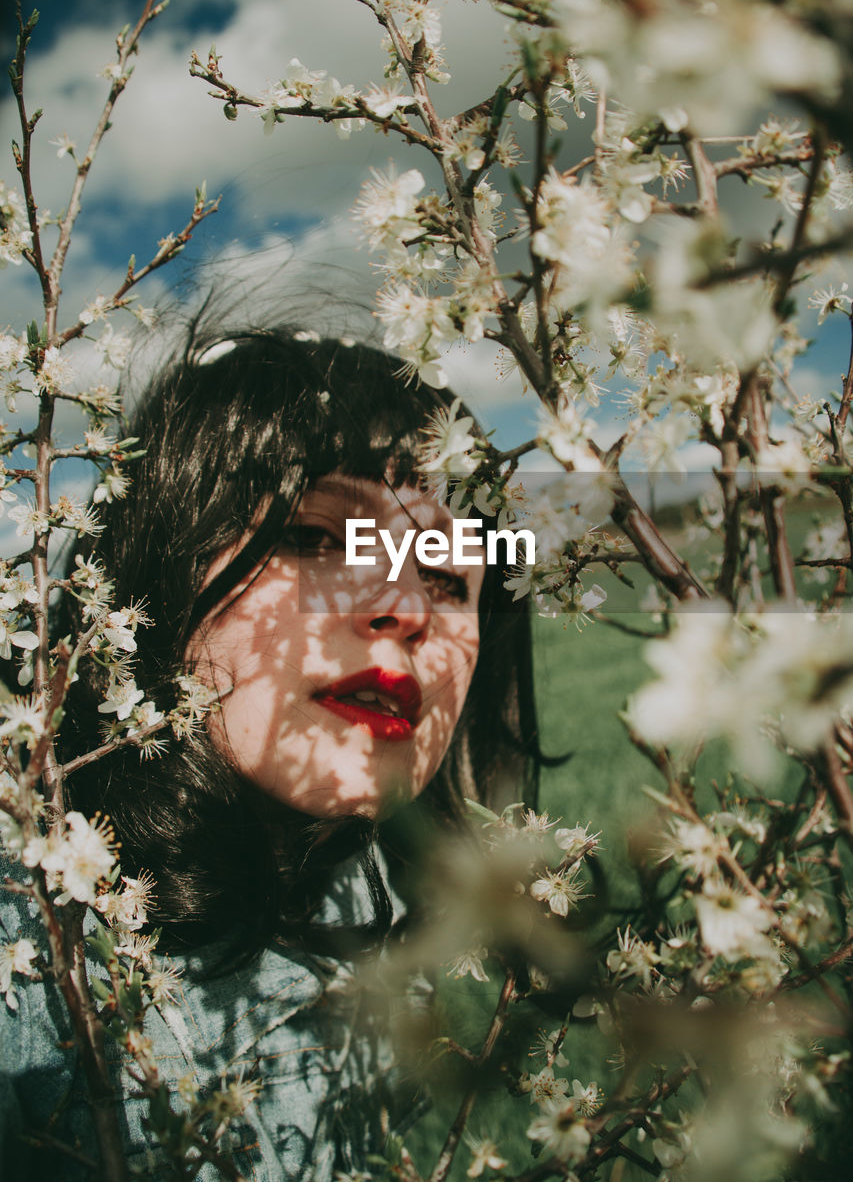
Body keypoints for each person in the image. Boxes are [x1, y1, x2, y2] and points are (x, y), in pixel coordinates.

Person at [0, 317, 541, 1180]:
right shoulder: (27, 970)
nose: (406, 607)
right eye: (315, 537)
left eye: (446, 577)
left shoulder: (374, 897)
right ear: (152, 568)